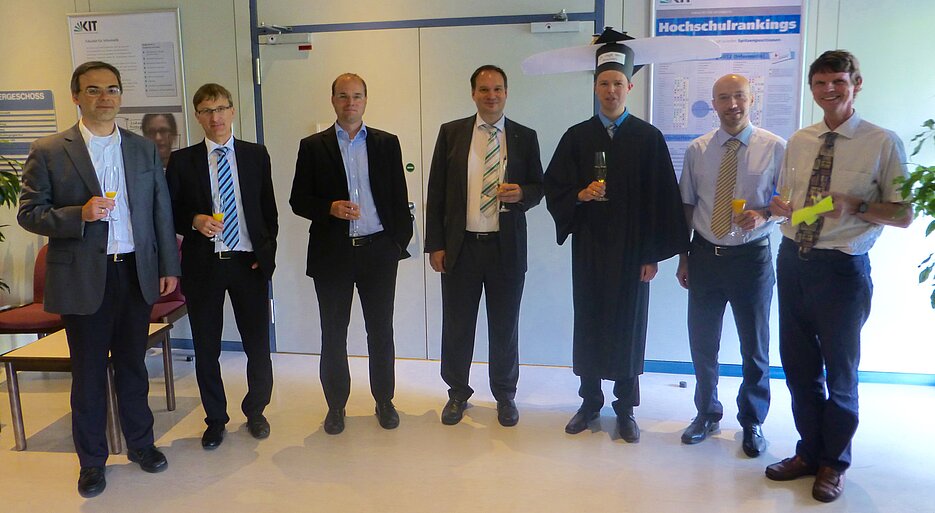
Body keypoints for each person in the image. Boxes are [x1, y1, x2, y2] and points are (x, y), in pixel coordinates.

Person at [17, 61, 180, 498]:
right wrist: (79, 214)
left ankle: (141, 444)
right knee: (88, 373)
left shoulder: (142, 149)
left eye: (112, 89)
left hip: (135, 271)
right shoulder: (50, 150)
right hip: (83, 278)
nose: (104, 97)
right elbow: (29, 213)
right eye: (93, 90)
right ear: (76, 96)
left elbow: (160, 210)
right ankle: (91, 461)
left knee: (133, 366)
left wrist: (169, 266)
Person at [765, 50, 913, 503]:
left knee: (841, 373)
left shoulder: (882, 142)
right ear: (812, 88)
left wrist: (858, 205)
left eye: (838, 82)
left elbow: (904, 214)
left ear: (856, 84)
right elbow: (789, 198)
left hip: (841, 269)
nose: (829, 90)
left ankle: (834, 462)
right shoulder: (800, 139)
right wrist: (779, 207)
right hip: (793, 260)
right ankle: (809, 452)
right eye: (821, 83)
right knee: (798, 368)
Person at [544, 42, 689, 443]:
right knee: (589, 321)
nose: (611, 90)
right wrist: (579, 195)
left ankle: (626, 409)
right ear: (596, 87)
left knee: (629, 325)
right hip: (590, 248)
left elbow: (663, 199)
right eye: (604, 83)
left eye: (618, 84)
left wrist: (652, 256)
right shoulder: (577, 137)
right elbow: (554, 186)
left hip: (633, 252)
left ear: (629, 87)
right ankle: (590, 402)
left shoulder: (648, 138)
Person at [290, 73, 412, 435]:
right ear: (333, 100)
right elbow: (298, 200)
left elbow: (398, 197)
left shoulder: (387, 143)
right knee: (333, 333)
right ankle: (336, 406)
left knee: (381, 331)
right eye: (343, 96)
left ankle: (385, 401)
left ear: (366, 100)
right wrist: (329, 208)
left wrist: (397, 243)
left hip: (378, 252)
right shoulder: (313, 146)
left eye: (357, 96)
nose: (350, 103)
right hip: (334, 254)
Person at [425, 64, 544, 427]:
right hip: (461, 247)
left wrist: (522, 193)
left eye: (497, 89)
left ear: (506, 93)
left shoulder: (524, 136)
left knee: (505, 326)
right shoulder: (451, 133)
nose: (491, 96)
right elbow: (436, 191)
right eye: (484, 89)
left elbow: (539, 186)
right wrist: (436, 244)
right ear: (473, 94)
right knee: (457, 325)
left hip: (506, 248)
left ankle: (505, 395)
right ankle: (457, 393)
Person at [676, 74, 785, 456]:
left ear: (752, 100)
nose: (732, 104)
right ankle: (706, 412)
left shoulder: (776, 147)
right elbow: (687, 206)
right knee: (703, 342)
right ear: (714, 104)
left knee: (754, 345)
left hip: (751, 259)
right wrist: (684, 257)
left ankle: (752, 419)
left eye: (739, 96)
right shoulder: (698, 149)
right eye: (724, 98)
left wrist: (764, 215)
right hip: (705, 256)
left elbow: (787, 204)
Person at [166, 83, 278, 449]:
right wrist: (194, 220)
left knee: (257, 345)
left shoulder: (255, 155)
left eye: (220, 109)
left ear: (232, 111)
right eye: (206, 111)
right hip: (204, 265)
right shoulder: (182, 161)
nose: (215, 117)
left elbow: (268, 210)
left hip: (248, 263)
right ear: (197, 117)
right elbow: (169, 212)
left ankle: (256, 411)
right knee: (207, 347)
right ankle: (215, 418)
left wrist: (266, 252)